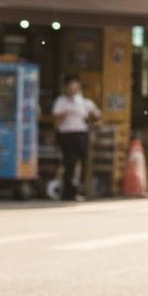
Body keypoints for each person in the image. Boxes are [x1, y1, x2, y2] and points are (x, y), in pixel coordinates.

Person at [52, 74, 101, 202]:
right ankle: (68, 192)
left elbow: (95, 116)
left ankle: (82, 189)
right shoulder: (61, 101)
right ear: (66, 87)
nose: (73, 88)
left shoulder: (84, 101)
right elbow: (56, 118)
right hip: (66, 135)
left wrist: (93, 117)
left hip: (81, 134)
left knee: (84, 162)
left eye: (75, 85)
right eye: (70, 85)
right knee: (69, 164)